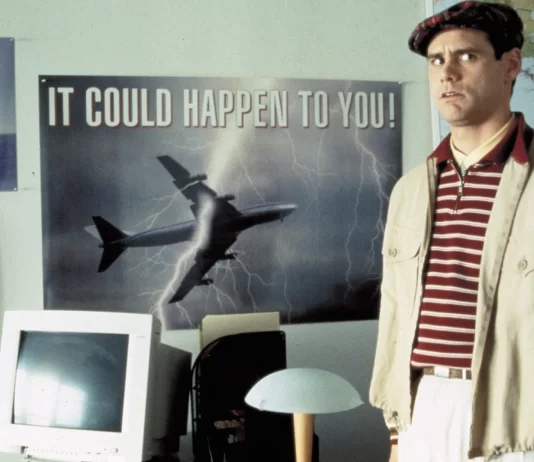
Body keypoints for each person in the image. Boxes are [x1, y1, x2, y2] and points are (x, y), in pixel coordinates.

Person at [368, 1, 534, 461]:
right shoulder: (409, 190)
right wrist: (398, 435)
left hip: (517, 419)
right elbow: (396, 315)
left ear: (510, 66)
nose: (447, 73)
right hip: (423, 410)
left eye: (467, 56)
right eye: (436, 60)